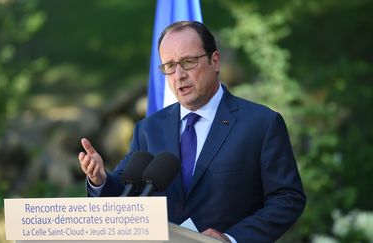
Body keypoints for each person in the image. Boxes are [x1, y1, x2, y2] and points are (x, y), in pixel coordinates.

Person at [78, 21, 306, 243]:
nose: (179, 75)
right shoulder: (149, 129)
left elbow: (287, 198)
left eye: (188, 62)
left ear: (215, 61)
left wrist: (232, 238)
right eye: (169, 66)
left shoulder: (261, 124)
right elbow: (126, 192)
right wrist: (100, 179)